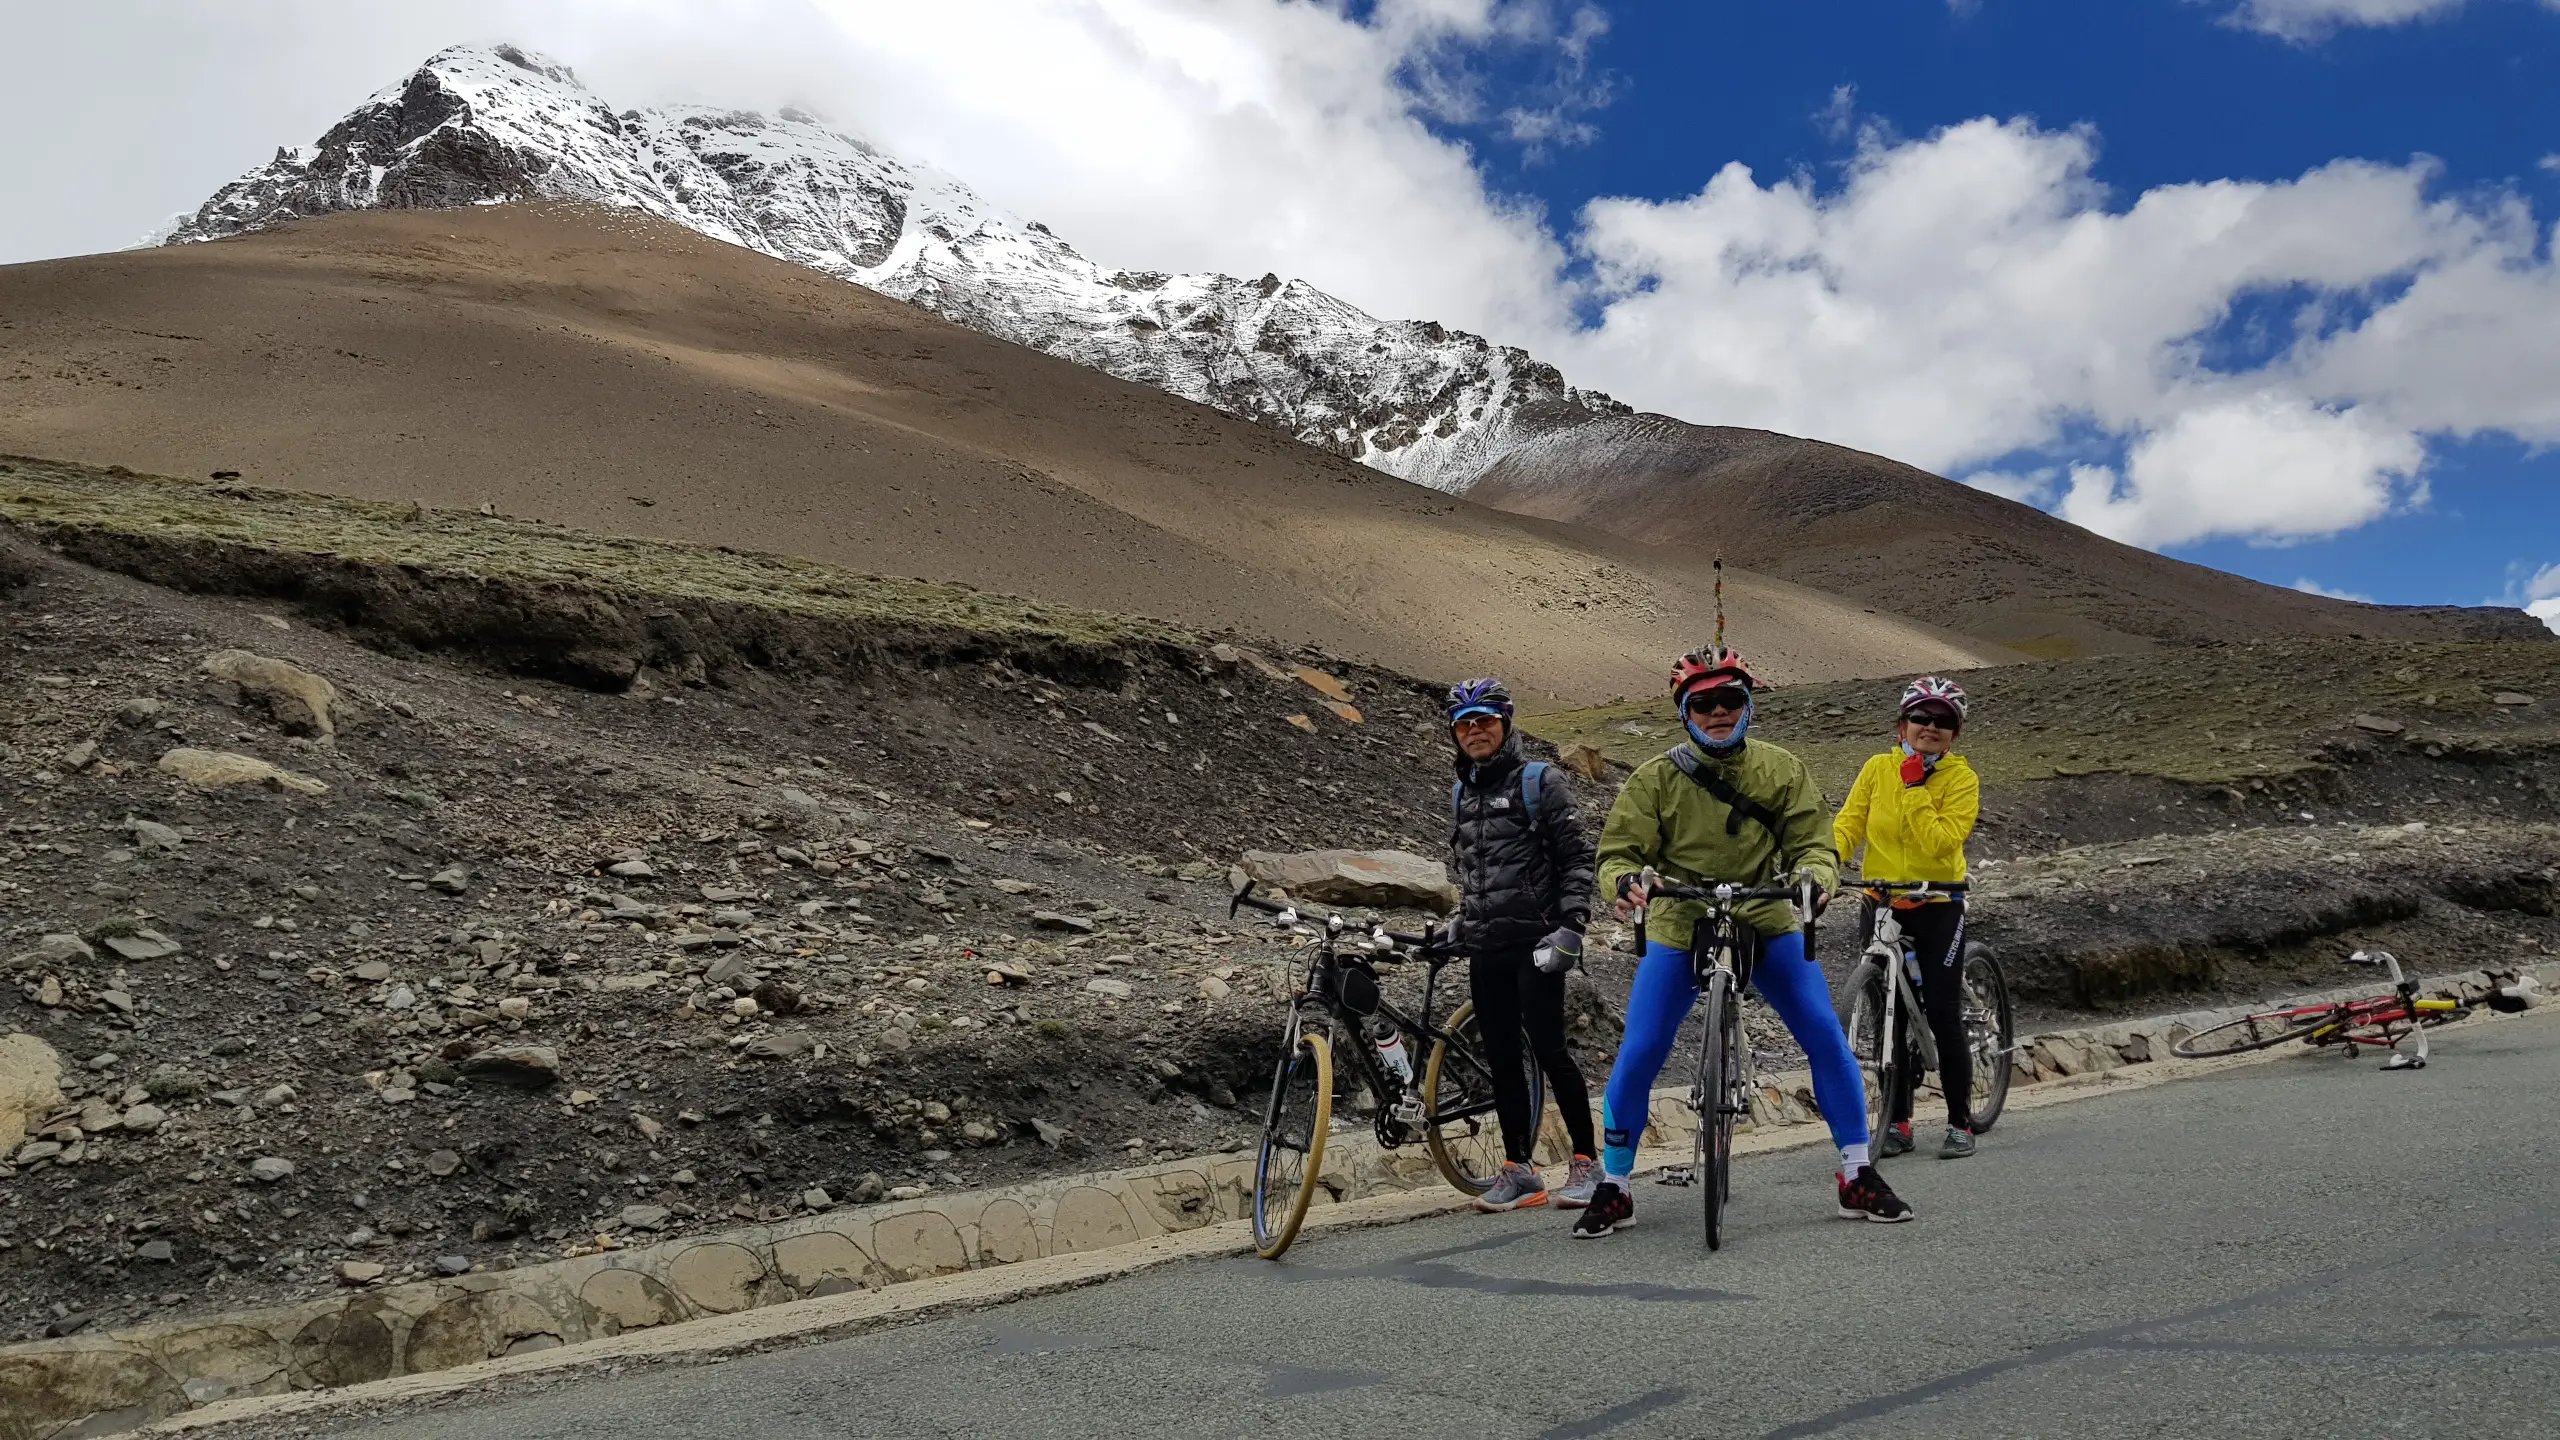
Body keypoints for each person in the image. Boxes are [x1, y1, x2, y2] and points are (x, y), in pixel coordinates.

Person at [1574, 646, 1912, 1237]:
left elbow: (1814, 844)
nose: (1718, 712)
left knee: (1823, 1033)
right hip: (1680, 921)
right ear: (1684, 713)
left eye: (1730, 700)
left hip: (1766, 914)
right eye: (1702, 703)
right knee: (1641, 1047)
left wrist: (1815, 878)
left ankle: (1857, 1172)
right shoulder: (1655, 778)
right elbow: (1618, 853)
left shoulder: (1782, 769)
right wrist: (1625, 882)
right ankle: (1616, 1184)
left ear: (1749, 705)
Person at [1440, 678, 1603, 1212]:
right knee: (1503, 1059)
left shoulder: (1541, 781)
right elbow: (1475, 870)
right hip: (1487, 946)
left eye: (1485, 720)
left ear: (1505, 723)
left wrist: (1572, 926)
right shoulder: (1462, 793)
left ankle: (1587, 1162)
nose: (1475, 731)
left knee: (1551, 1051)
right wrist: (1462, 921)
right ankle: (1520, 1171)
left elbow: (1577, 858)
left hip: (1539, 942)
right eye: (1464, 724)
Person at [1834, 676, 1982, 1160]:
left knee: (1941, 1010)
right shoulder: (1877, 768)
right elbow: (1849, 824)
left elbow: (1941, 843)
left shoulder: (1961, 779)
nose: (1930, 726)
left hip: (1938, 903)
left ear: (1955, 733)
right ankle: (1897, 1121)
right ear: (1903, 724)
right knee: (1887, 1013)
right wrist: (1823, 863)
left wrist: (1916, 785)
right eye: (1921, 717)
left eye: (1943, 721)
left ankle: (1959, 1122)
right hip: (1881, 900)